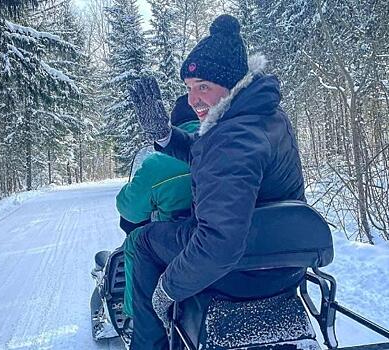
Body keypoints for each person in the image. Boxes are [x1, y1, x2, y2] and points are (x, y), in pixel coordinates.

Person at [128, 14, 306, 350]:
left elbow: (218, 244)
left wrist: (168, 288)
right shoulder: (261, 116)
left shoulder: (232, 137)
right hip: (282, 256)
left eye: (203, 87)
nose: (193, 100)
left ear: (231, 83)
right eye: (189, 88)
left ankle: (149, 343)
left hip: (241, 269)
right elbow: (216, 160)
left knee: (142, 241)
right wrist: (165, 137)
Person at [116, 94, 199, 318]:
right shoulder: (226, 147)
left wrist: (129, 190)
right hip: (228, 239)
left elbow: (129, 210)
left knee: (137, 241)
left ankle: (138, 316)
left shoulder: (156, 163)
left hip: (178, 244)